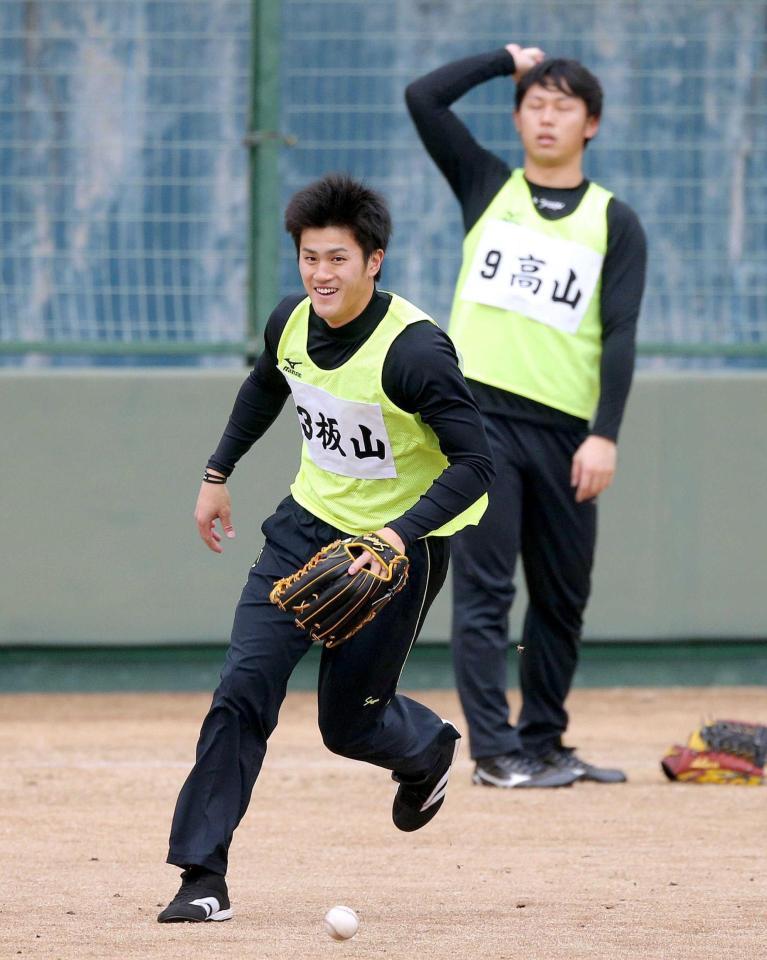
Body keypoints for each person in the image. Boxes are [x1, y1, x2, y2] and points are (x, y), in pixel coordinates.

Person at [157, 173, 493, 922]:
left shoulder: (414, 352)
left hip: (396, 553)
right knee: (241, 691)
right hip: (303, 532)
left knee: (348, 727)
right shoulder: (291, 320)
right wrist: (217, 474)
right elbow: (264, 386)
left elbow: (477, 464)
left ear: (374, 261)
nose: (320, 274)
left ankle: (427, 748)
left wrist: (395, 535)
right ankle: (200, 877)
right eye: (309, 257)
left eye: (337, 258)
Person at [405, 45, 647, 789]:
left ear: (591, 124)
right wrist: (503, 61)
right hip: (479, 422)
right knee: (485, 590)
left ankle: (544, 740)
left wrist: (603, 432)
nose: (546, 116)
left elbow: (620, 332)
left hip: (569, 433)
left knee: (563, 595)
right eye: (534, 104)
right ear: (516, 118)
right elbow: (423, 96)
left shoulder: (614, 221)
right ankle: (495, 751)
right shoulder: (485, 184)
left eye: (563, 105)